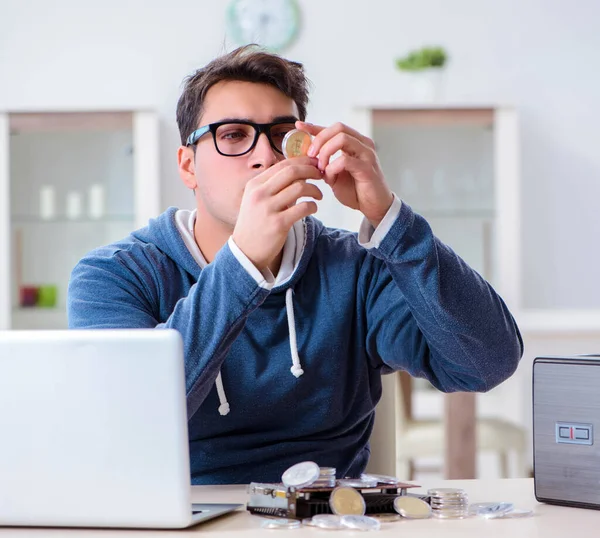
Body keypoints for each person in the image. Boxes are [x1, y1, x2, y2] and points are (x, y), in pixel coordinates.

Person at [68, 45, 523, 485]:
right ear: (188, 166)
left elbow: (486, 364)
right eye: (232, 136)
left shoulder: (356, 268)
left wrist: (389, 220)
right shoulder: (112, 275)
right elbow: (127, 420)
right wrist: (244, 262)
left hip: (327, 517)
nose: (264, 156)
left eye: (282, 136)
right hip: (184, 516)